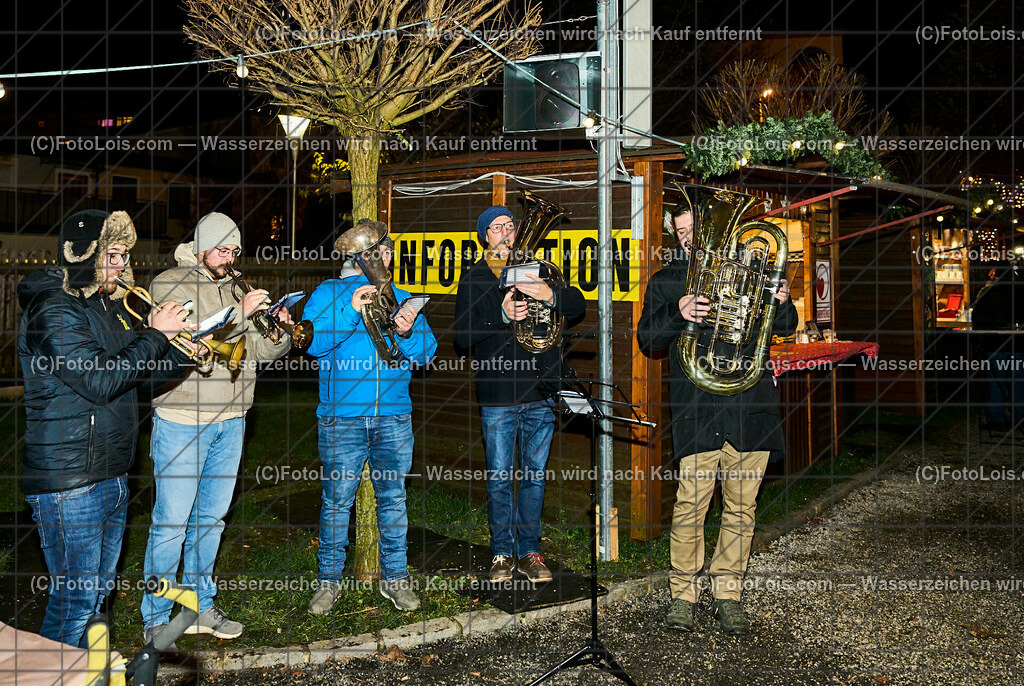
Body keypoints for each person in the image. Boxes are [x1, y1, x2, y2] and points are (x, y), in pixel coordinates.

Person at [18, 209, 193, 648]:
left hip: (110, 473)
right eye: (112, 255)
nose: (121, 265)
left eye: (124, 256)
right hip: (70, 480)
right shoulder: (53, 308)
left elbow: (136, 380)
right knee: (74, 603)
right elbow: (99, 381)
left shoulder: (107, 308)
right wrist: (155, 335)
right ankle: (45, 675)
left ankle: (83, 673)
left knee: (96, 598)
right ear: (85, 255)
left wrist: (183, 351)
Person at [638, 202, 797, 635]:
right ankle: (683, 596)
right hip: (697, 409)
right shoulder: (667, 281)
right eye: (683, 231)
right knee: (690, 505)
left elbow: (785, 324)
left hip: (750, 406)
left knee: (742, 509)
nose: (691, 236)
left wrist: (782, 300)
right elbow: (647, 339)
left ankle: (728, 594)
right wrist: (678, 311)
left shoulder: (753, 273)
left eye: (696, 227)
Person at [141, 212, 292, 645]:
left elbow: (258, 352)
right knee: (171, 523)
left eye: (234, 251)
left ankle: (200, 605)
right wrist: (241, 315)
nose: (228, 258)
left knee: (211, 521)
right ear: (201, 247)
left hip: (232, 418)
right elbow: (193, 340)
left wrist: (278, 331)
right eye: (221, 250)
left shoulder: (237, 287)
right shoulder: (170, 283)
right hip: (183, 420)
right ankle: (156, 616)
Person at [304, 221, 437, 615]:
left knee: (393, 501)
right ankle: (328, 583)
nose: (385, 257)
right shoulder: (328, 292)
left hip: (394, 417)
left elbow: (426, 353)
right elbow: (313, 343)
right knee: (336, 503)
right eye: (375, 252)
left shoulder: (402, 296)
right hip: (341, 418)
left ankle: (395, 579)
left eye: (387, 251)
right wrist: (350, 308)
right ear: (356, 257)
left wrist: (408, 332)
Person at [453, 205, 586, 583]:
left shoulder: (539, 271)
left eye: (510, 226)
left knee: (534, 477)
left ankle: (529, 551)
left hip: (540, 391)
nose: (506, 233)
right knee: (499, 478)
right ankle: (500, 552)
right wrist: (501, 316)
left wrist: (549, 294)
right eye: (497, 228)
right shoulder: (474, 277)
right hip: (498, 395)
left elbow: (578, 306)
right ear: (485, 237)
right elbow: (461, 337)